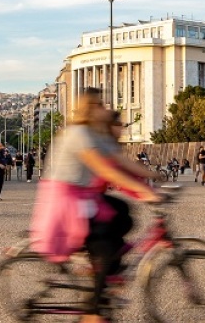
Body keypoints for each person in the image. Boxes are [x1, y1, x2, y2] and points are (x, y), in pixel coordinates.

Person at [30, 88, 160, 323]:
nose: (105, 109)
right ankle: (93, 312)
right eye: (100, 105)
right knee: (106, 248)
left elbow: (122, 162)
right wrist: (144, 191)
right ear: (90, 109)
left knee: (123, 213)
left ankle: (104, 276)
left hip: (84, 197)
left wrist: (156, 177)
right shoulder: (79, 134)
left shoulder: (96, 135)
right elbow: (105, 169)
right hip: (66, 200)